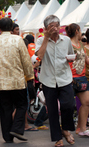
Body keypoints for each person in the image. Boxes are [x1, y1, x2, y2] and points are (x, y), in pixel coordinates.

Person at [0, 18, 34, 143]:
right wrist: (30, 76)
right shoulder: (18, 39)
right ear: (11, 27)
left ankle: (7, 136)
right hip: (17, 80)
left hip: (2, 82)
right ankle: (17, 128)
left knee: (5, 109)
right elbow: (25, 60)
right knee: (21, 105)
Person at [35, 15, 75, 147]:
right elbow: (39, 56)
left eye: (57, 25)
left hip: (65, 78)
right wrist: (46, 38)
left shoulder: (66, 40)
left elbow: (70, 54)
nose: (55, 28)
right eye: (51, 26)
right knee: (52, 111)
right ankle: (58, 138)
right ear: (46, 28)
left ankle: (65, 129)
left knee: (68, 105)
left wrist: (71, 59)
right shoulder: (41, 40)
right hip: (48, 80)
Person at [65, 23, 89, 137]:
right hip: (69, 78)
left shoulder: (80, 44)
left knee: (87, 102)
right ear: (77, 31)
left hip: (81, 77)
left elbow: (86, 58)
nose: (82, 33)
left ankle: (82, 128)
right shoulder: (67, 43)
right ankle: (66, 129)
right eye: (81, 31)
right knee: (68, 105)